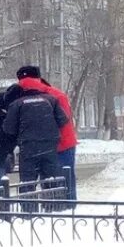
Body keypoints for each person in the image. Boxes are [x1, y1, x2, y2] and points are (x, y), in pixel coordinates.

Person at [13, 66, 78, 198]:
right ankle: (62, 209)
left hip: (59, 146)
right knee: (57, 182)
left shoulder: (48, 96)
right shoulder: (54, 95)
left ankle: (64, 208)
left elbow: (63, 122)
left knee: (60, 182)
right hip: (56, 145)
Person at [2, 78, 68, 204]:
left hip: (28, 147)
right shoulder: (51, 100)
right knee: (51, 179)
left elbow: (8, 128)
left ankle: (29, 213)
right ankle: (52, 209)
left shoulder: (17, 104)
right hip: (49, 146)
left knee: (28, 182)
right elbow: (63, 120)